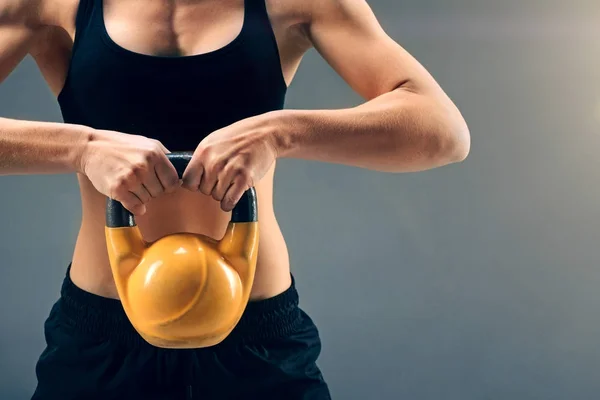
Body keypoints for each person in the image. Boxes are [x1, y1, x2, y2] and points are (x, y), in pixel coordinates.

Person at [0, 0, 470, 398]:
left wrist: (280, 132)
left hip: (256, 339)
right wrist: (80, 148)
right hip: (101, 338)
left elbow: (443, 132)